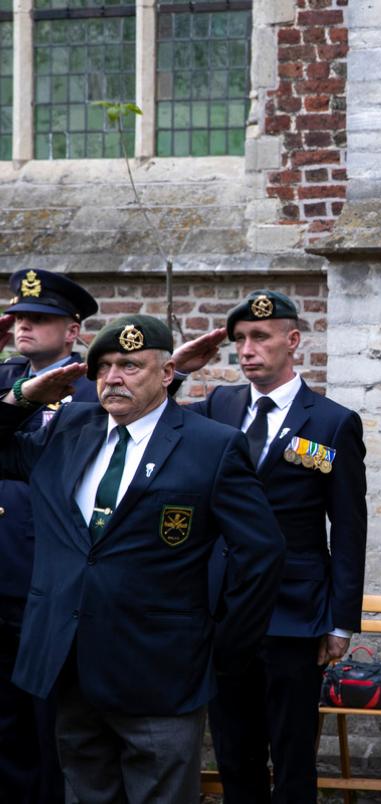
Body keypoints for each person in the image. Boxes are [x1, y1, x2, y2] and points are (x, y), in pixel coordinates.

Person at [0, 314, 285, 804]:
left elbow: (261, 553)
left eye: (130, 365)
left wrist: (225, 646)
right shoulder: (67, 429)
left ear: (166, 372)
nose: (113, 377)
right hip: (70, 665)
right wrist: (22, 398)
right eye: (104, 366)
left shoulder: (209, 445)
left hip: (162, 672)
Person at [171, 289, 367, 804]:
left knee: (293, 754)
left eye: (260, 336)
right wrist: (176, 370)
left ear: (292, 341)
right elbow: (154, 420)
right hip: (225, 606)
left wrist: (341, 620)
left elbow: (348, 526)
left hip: (294, 610)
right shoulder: (218, 405)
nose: (247, 349)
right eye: (239, 340)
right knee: (234, 752)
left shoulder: (331, 421)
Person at [0, 268, 99, 804]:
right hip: (4, 573)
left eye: (39, 319)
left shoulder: (93, 388)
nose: (24, 327)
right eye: (18, 318)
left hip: (53, 581)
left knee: (53, 729)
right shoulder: (6, 383)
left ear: (72, 329)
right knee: (8, 728)